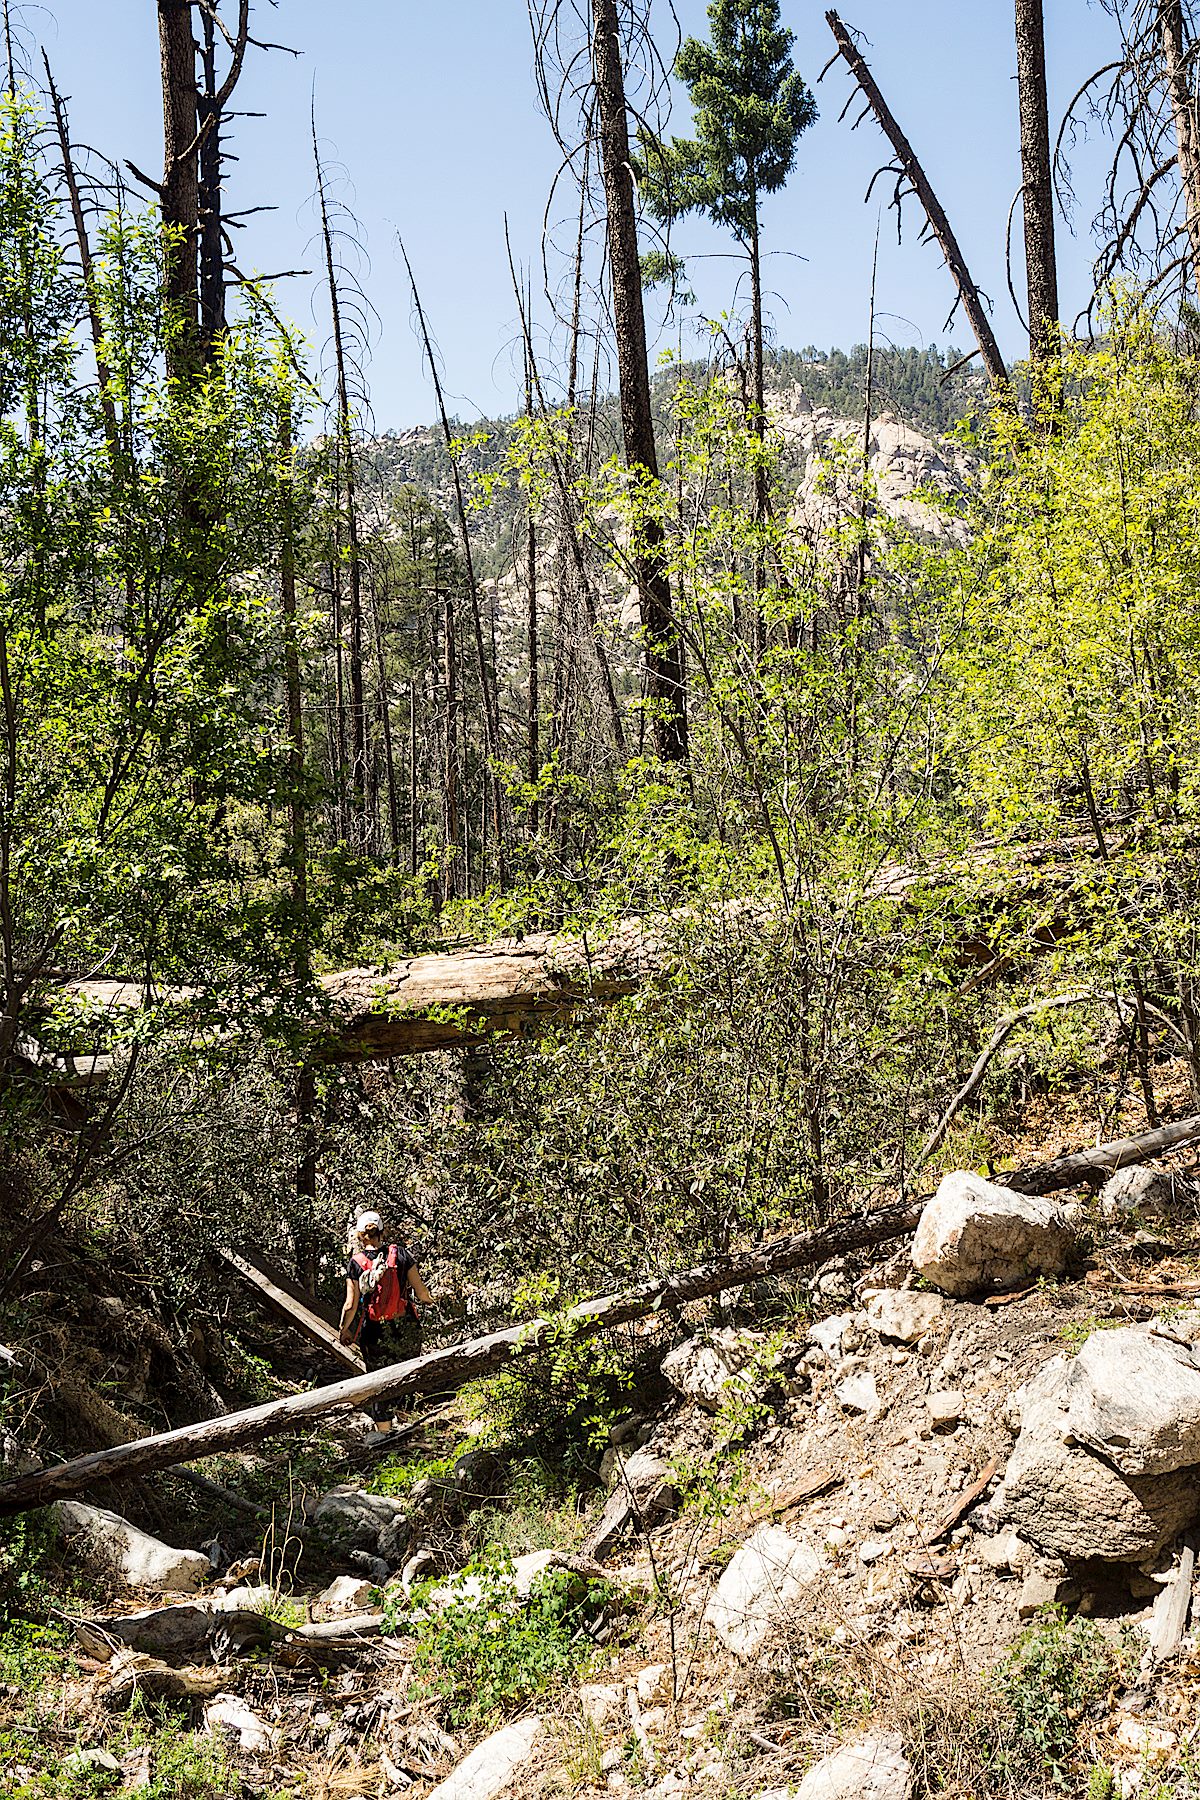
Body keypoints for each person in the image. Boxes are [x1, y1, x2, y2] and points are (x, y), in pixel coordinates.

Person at [339, 1210, 433, 1432]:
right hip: (405, 1325)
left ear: (360, 1236)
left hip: (373, 1331)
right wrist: (432, 1301)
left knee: (378, 1381)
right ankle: (413, 1423)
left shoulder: (356, 1263)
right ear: (383, 1232)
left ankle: (385, 1431)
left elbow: (350, 1305)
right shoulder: (400, 1254)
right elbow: (421, 1294)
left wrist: (344, 1330)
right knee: (409, 1373)